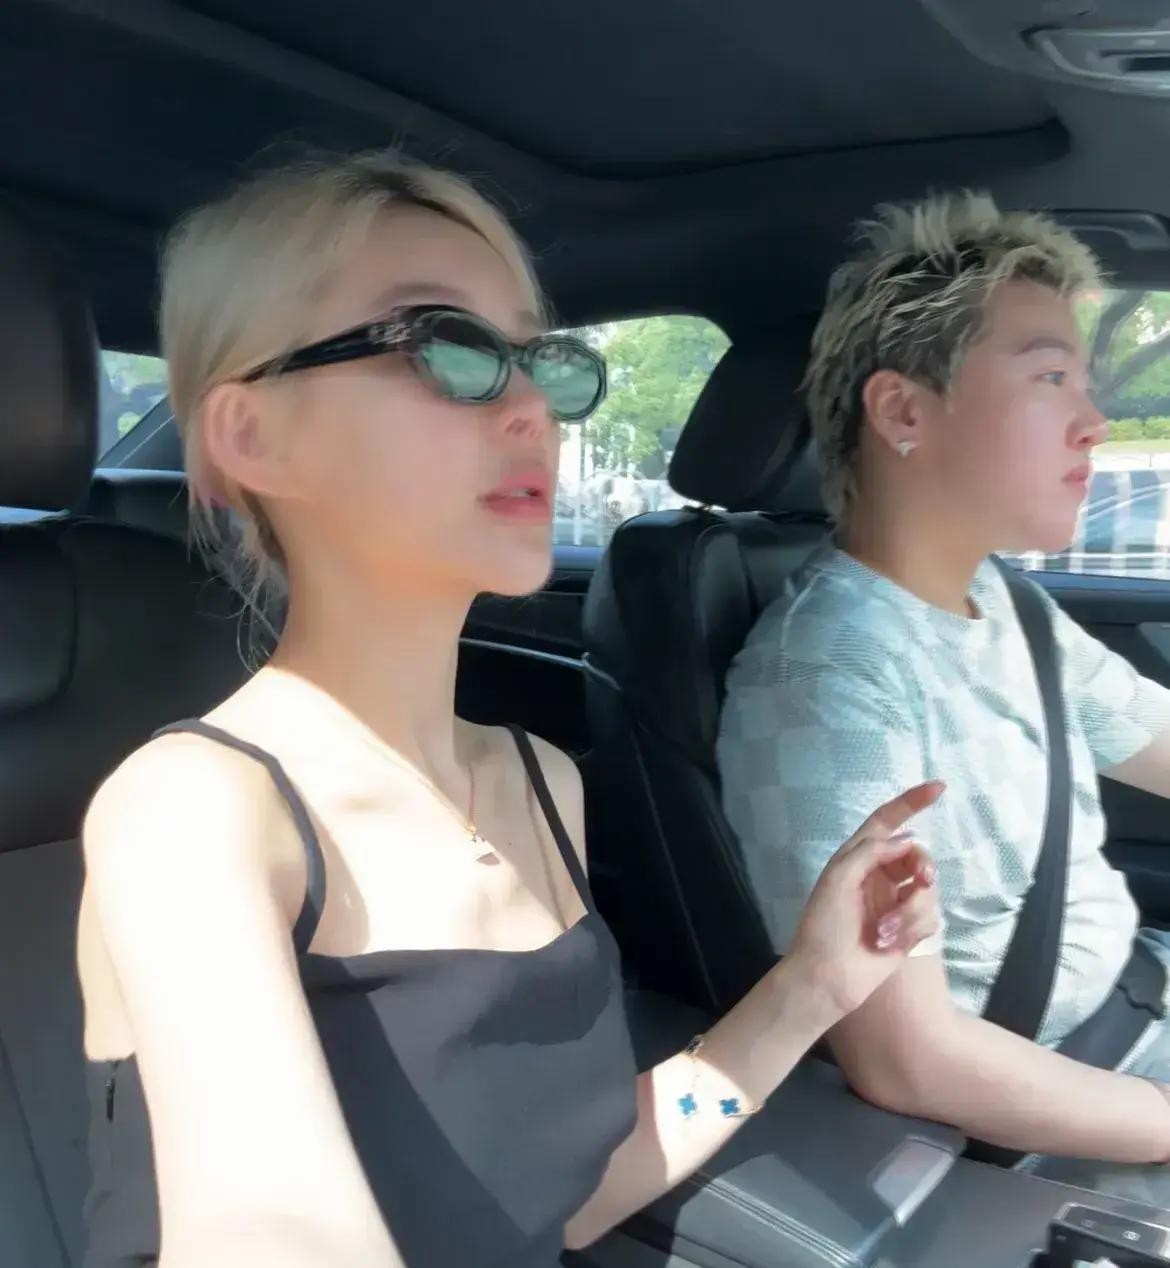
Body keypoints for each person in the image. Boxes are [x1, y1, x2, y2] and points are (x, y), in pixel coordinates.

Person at [76, 150, 942, 1268]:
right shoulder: (194, 811)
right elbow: (272, 1230)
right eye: (448, 347)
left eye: (539, 358)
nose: (534, 407)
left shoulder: (543, 781)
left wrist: (814, 983)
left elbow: (564, 1196)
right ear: (254, 437)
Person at [717, 190, 1170, 1205]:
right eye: (1050, 377)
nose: (1094, 422)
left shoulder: (1006, 603)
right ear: (904, 413)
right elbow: (908, 1057)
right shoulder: (828, 672)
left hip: (1140, 993)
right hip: (1070, 1098)